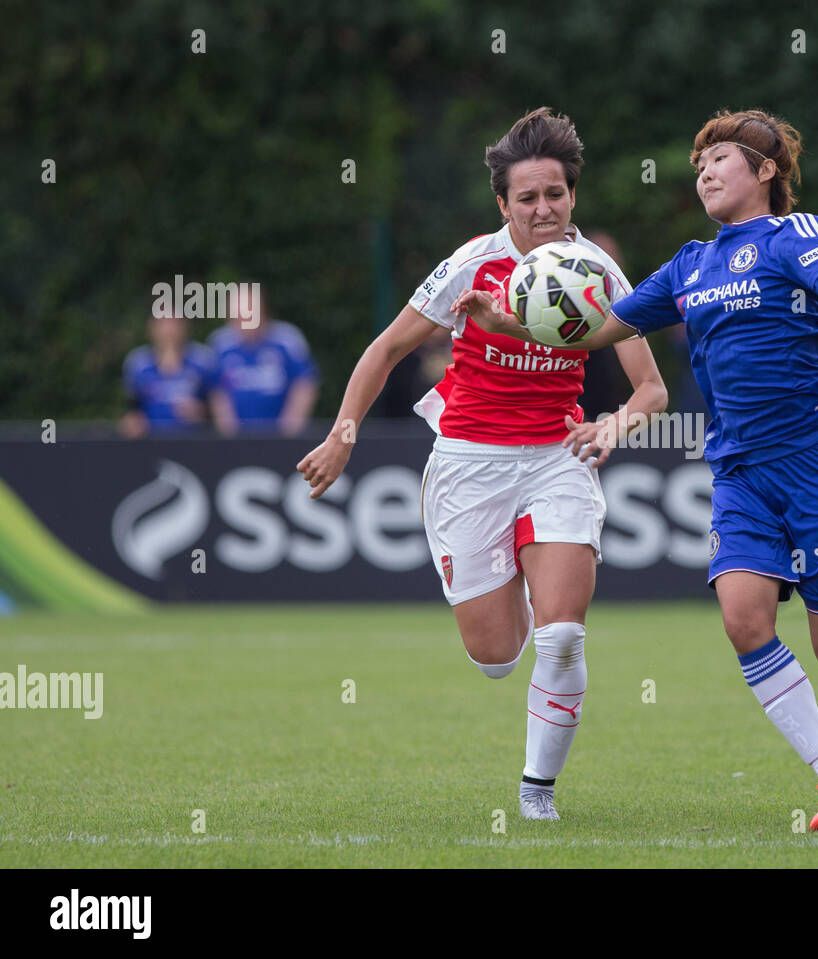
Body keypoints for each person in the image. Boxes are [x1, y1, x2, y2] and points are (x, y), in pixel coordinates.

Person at [458, 109, 818, 831]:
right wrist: (509, 323)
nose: (704, 172)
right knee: (742, 619)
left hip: (816, 458)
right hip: (738, 471)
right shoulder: (689, 265)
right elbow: (604, 327)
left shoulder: (790, 235)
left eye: (721, 159)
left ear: (765, 172)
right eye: (698, 163)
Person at [296, 108, 668, 820]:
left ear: (572, 196)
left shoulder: (598, 272)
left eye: (554, 194)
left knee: (560, 638)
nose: (542, 209)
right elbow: (385, 350)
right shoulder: (473, 263)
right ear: (503, 204)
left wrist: (614, 424)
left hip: (558, 459)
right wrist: (344, 434)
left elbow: (651, 388)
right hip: (470, 461)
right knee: (497, 655)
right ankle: (523, 577)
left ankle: (537, 795)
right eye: (526, 198)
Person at [209, 288, 319, 436]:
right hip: (237, 440)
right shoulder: (220, 343)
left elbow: (305, 383)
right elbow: (216, 390)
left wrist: (289, 430)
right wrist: (230, 433)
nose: (244, 320)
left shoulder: (287, 339)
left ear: (262, 311)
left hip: (282, 436)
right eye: (238, 315)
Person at [121, 308, 218, 437]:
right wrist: (133, 423)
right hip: (151, 443)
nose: (169, 330)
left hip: (194, 441)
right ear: (151, 328)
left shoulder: (203, 360)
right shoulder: (138, 363)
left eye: (174, 323)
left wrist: (201, 412)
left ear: (185, 326)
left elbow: (217, 408)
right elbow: (132, 409)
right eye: (163, 324)